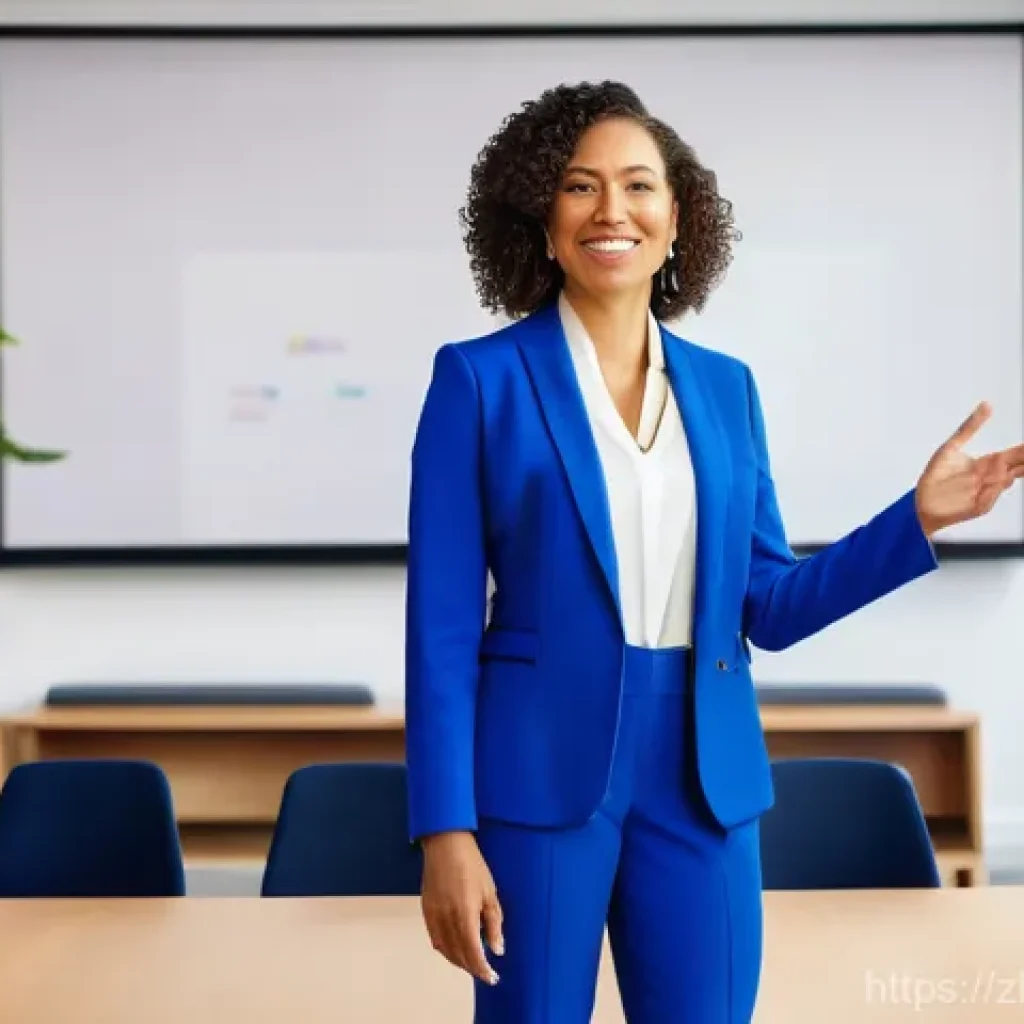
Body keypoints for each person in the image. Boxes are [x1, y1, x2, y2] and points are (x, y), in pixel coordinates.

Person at [403, 80, 1024, 1023]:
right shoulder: (478, 382)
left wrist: (918, 520)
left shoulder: (726, 391)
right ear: (540, 218)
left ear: (677, 217)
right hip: (537, 776)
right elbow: (440, 632)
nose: (613, 210)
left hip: (704, 779)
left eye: (639, 185)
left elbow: (768, 604)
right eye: (580, 186)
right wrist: (444, 831)